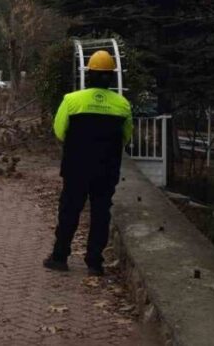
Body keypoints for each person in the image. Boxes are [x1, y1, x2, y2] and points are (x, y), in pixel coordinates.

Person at [43, 50, 132, 276]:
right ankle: (94, 262)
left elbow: (59, 131)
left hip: (76, 167)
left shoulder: (72, 100)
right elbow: (126, 136)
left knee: (69, 211)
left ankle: (60, 257)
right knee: (101, 213)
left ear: (89, 74)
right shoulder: (122, 105)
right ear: (111, 77)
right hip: (107, 169)